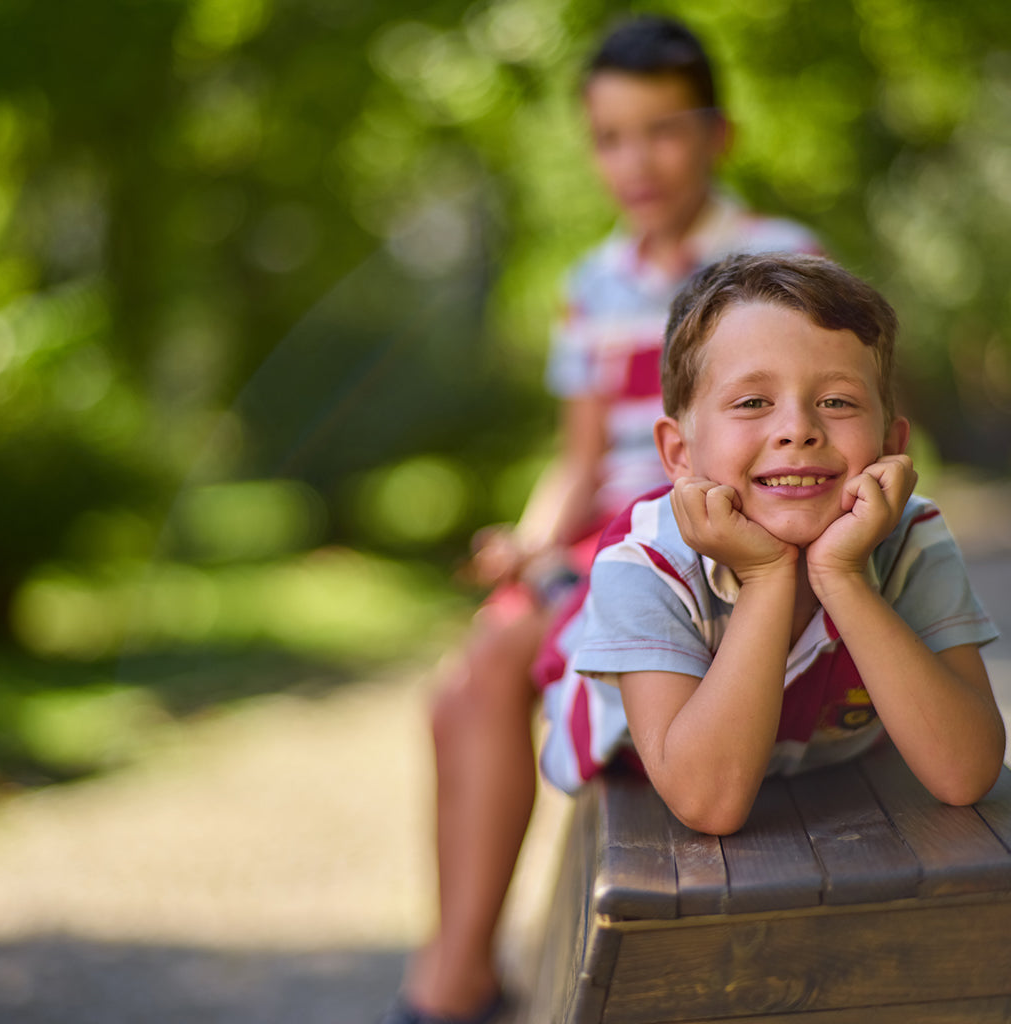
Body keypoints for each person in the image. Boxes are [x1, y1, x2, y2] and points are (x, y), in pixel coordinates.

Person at [383, 16, 820, 1024]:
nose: (638, 160)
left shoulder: (778, 262)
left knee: (491, 672)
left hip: (704, 527)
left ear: (719, 135)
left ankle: (448, 988)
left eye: (663, 130)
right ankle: (464, 961)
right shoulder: (591, 286)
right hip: (603, 532)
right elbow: (579, 461)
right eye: (612, 136)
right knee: (452, 695)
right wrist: (532, 540)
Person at [537, 251, 1005, 839]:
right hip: (638, 750)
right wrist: (766, 576)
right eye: (753, 402)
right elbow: (708, 804)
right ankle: (553, 587)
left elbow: (965, 774)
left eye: (837, 402)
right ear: (679, 454)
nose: (798, 428)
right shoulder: (644, 562)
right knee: (558, 616)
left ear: (891, 444)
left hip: (811, 746)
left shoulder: (911, 537)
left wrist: (841, 576)